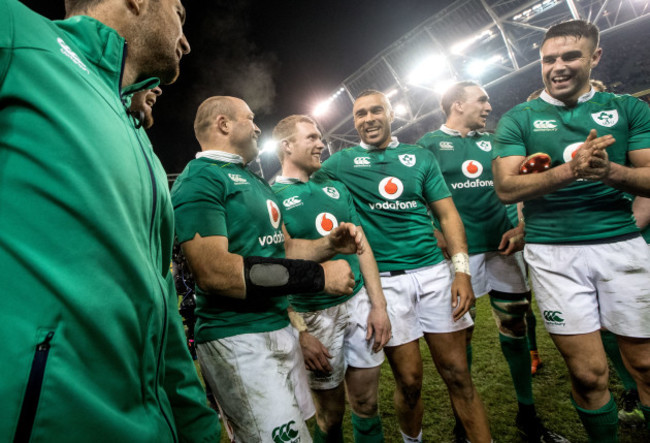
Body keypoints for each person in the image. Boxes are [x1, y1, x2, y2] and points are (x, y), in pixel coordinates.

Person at [0, 0, 221, 441]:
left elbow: (161, 302)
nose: (186, 41)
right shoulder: (18, 32)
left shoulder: (143, 145)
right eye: (179, 13)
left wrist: (197, 425)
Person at [492, 20, 650, 441]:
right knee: (588, 373)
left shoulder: (629, 109)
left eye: (570, 57)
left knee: (647, 364)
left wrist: (609, 171)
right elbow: (506, 188)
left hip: (622, 245)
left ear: (594, 57)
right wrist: (571, 170)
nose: (557, 67)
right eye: (548, 60)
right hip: (554, 254)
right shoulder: (518, 119)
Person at [171, 96, 361, 443]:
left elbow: (284, 249)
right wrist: (319, 278)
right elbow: (216, 273)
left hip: (280, 328)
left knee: (305, 426)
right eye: (250, 118)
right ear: (224, 124)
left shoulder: (254, 181)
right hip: (238, 339)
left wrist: (328, 246)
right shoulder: (200, 180)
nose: (258, 126)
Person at [315, 89, 491, 443]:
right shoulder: (340, 164)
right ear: (354, 124)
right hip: (386, 284)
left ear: (391, 114)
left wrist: (461, 270)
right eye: (360, 114)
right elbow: (302, 186)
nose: (369, 119)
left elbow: (447, 214)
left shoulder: (418, 157)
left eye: (376, 110)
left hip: (433, 275)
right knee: (409, 382)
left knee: (459, 375)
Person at [417, 81, 567, 443]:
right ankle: (463, 422)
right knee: (460, 335)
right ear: (457, 104)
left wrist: (522, 226)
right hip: (458, 256)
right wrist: (432, 230)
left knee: (515, 325)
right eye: (481, 99)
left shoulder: (497, 142)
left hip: (502, 248)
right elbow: (413, 195)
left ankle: (527, 415)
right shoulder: (428, 145)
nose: (488, 105)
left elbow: (522, 187)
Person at [271, 114, 392, 442]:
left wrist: (378, 306)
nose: (321, 143)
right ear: (287, 146)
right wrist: (301, 333)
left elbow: (361, 247)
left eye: (319, 137)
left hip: (358, 305)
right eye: (311, 137)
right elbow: (275, 268)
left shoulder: (336, 187)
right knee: (331, 415)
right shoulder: (272, 198)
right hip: (314, 315)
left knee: (367, 403)